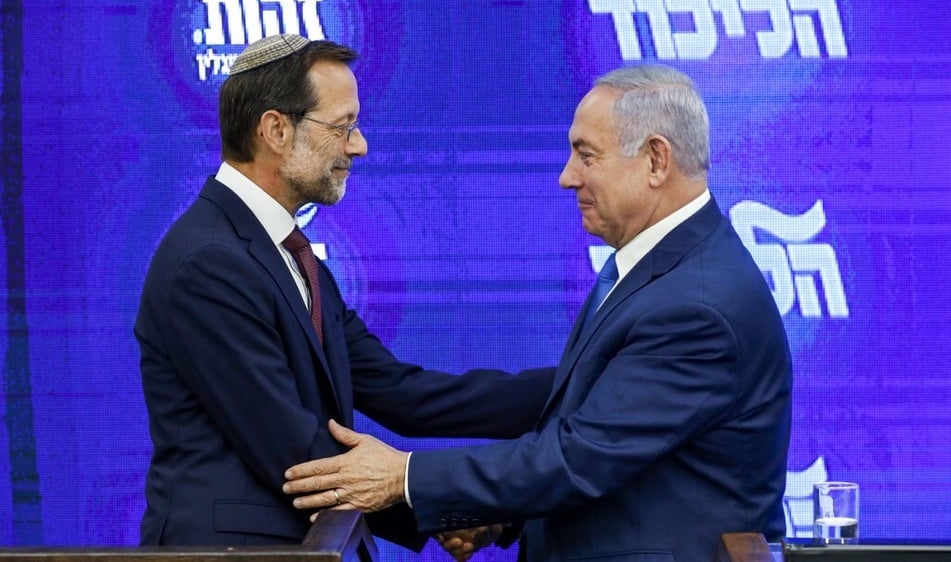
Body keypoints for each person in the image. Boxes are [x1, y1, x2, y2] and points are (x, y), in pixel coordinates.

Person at [282, 64, 793, 561]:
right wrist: (504, 513)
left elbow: (582, 458)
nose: (567, 177)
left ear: (656, 160)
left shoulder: (696, 305)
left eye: (585, 156)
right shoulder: (666, 267)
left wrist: (404, 477)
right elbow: (610, 435)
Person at [134, 34, 555, 548]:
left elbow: (405, 395)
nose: (359, 145)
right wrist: (447, 506)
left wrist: (579, 386)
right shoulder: (209, 263)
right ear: (276, 130)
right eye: (343, 126)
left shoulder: (287, 255)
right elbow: (296, 455)